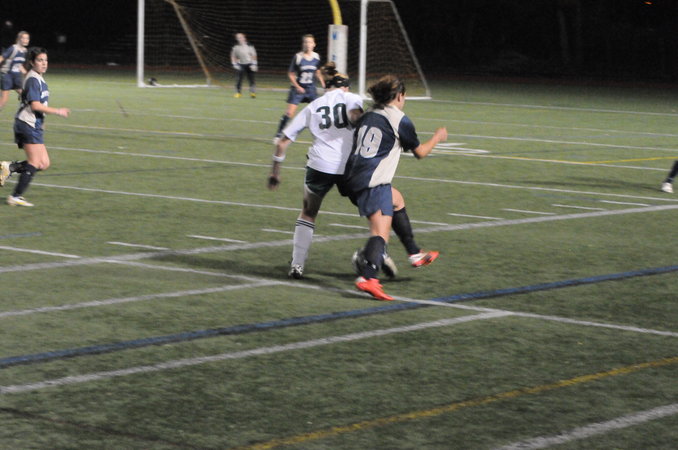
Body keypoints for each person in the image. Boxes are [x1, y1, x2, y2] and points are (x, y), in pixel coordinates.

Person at [342, 75, 448, 301]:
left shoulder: (369, 114)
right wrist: (437, 137)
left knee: (396, 199)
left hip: (352, 176)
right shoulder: (399, 119)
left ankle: (414, 253)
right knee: (380, 234)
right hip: (373, 181)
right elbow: (420, 153)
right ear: (399, 96)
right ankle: (367, 278)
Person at [268, 62, 364, 279]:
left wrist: (275, 172)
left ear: (327, 86)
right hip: (348, 167)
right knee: (374, 208)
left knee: (308, 212)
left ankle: (297, 264)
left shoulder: (313, 106)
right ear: (345, 87)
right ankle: (378, 254)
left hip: (319, 165)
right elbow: (359, 120)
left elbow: (282, 142)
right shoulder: (352, 98)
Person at [0, 47, 70, 206]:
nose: (44, 63)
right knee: (34, 161)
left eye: (45, 60)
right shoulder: (33, 79)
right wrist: (58, 111)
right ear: (32, 63)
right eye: (40, 60)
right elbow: (35, 105)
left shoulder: (38, 78)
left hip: (34, 124)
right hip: (26, 123)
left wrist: (42, 122)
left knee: (44, 163)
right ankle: (15, 196)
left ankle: (11, 167)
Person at [273, 34, 325, 144]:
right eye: (306, 42)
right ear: (303, 44)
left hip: (311, 89)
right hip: (298, 90)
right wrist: (297, 86)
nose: (308, 44)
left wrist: (323, 83)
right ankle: (278, 134)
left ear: (314, 44)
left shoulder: (316, 57)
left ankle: (322, 137)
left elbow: (317, 71)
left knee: (318, 112)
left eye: (310, 42)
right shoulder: (298, 57)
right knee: (289, 113)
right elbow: (291, 74)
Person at [0, 30, 29, 110]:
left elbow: (19, 65)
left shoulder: (25, 51)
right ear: (19, 39)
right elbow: (2, 57)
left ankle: (25, 114)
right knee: (3, 100)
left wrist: (26, 73)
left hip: (16, 77)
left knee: (26, 96)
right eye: (24, 38)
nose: (26, 40)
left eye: (27, 38)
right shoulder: (13, 48)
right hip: (7, 75)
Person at [230, 33, 257, 98]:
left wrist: (254, 64)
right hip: (241, 64)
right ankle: (238, 93)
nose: (240, 38)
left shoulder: (250, 45)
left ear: (244, 38)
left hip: (249, 64)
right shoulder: (235, 46)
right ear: (237, 39)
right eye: (238, 37)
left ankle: (252, 92)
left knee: (251, 79)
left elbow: (254, 55)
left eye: (241, 37)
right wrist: (234, 64)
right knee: (239, 79)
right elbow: (233, 56)